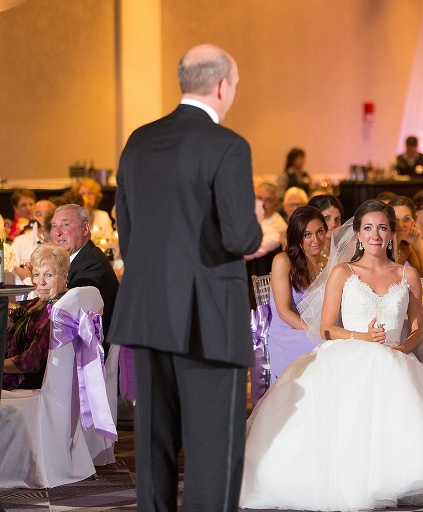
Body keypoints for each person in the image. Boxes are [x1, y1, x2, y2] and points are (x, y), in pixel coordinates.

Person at [239, 200, 423, 510]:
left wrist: (402, 349)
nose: (375, 235)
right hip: (349, 354)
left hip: (394, 356)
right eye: (368, 228)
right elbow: (327, 328)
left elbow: (417, 331)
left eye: (382, 228)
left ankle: (401, 477)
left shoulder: (407, 274)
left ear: (391, 233)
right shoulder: (343, 272)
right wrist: (363, 337)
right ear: (358, 234)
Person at [110, 44, 262, 512]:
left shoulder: (139, 140)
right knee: (212, 453)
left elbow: (127, 231)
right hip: (208, 320)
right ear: (221, 86)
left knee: (153, 450)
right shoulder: (227, 145)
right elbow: (241, 236)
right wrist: (261, 227)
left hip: (148, 313)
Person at [267, 205, 327, 382]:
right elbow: (284, 312)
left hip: (316, 330)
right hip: (287, 333)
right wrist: (316, 331)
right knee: (328, 348)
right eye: (307, 235)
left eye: (320, 232)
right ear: (297, 236)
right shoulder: (283, 261)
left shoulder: (328, 264)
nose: (316, 240)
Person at [3, 243, 70, 391]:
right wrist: (7, 306)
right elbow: (25, 314)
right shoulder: (45, 299)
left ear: (64, 276)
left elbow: (31, 361)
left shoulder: (55, 311)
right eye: (36, 274)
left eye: (48, 275)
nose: (40, 282)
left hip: (22, 384)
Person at [49, 205, 119, 343]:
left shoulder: (93, 264)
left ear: (85, 229)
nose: (57, 232)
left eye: (65, 225)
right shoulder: (79, 259)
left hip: (87, 348)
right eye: (54, 226)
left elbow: (67, 309)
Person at [389, 196, 423, 278]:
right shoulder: (379, 246)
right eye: (395, 219)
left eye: (406, 219)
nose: (400, 224)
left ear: (412, 223)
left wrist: (417, 247)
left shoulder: (406, 249)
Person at [10, 199, 55, 267]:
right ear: (31, 217)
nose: (43, 218)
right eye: (38, 214)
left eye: (47, 214)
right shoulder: (20, 241)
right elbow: (14, 267)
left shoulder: (59, 240)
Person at [71, 177, 114, 242]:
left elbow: (109, 239)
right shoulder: (72, 218)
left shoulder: (103, 216)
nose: (86, 197)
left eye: (90, 193)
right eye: (83, 194)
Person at [255, 181, 288, 247]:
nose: (262, 203)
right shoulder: (249, 220)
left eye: (268, 200)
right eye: (259, 198)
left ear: (276, 204)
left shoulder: (280, 229)